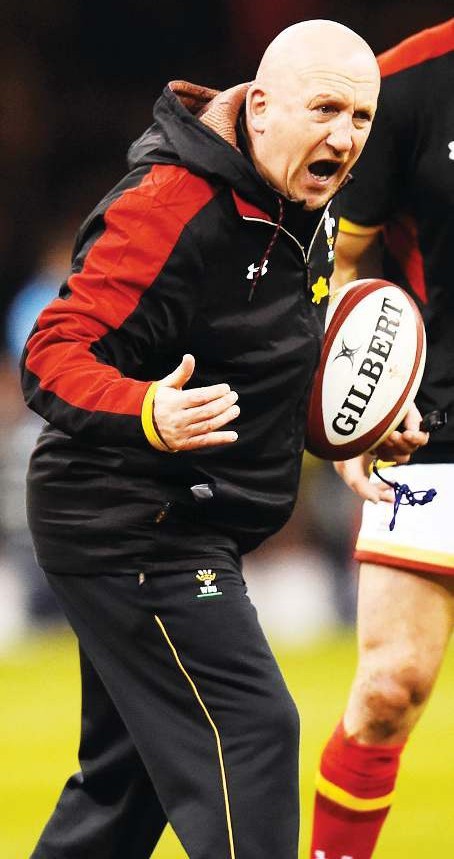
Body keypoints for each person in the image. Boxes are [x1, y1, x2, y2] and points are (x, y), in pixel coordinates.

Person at [20, 19, 388, 859]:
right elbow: (52, 350)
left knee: (127, 786)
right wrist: (147, 409)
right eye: (325, 109)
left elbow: (271, 355)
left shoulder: (307, 204)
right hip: (129, 520)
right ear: (259, 108)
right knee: (251, 730)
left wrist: (352, 425)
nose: (345, 137)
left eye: (361, 117)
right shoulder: (168, 205)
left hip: (180, 517)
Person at [310, 18, 454, 859]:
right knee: (390, 687)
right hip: (434, 429)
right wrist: (362, 393)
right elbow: (339, 259)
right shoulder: (402, 85)